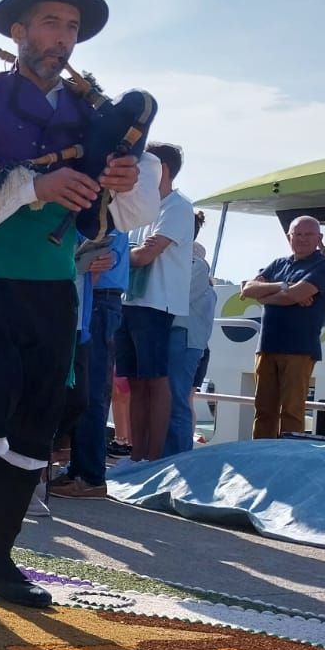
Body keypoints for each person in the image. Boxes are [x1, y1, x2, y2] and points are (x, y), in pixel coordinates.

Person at [0, 0, 159, 613]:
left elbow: (132, 212)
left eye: (72, 27)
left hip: (56, 287)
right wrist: (36, 186)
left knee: (35, 430)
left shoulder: (94, 115)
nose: (62, 37)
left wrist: (123, 179)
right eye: (51, 22)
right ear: (19, 30)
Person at [113, 142, 193, 462]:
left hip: (156, 304)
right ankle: (137, 457)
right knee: (135, 381)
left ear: (163, 170)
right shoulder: (143, 208)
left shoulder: (178, 207)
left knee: (155, 379)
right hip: (129, 302)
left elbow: (144, 255)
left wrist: (118, 255)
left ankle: (154, 458)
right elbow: (133, 251)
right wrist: (126, 254)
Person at [241, 216, 325, 439]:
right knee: (263, 410)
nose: (302, 239)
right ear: (289, 237)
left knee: (292, 412)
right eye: (298, 234)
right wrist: (284, 287)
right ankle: (262, 453)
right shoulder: (278, 264)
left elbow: (296, 295)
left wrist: (265, 296)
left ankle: (290, 457)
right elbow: (247, 289)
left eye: (308, 234)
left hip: (300, 349)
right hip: (267, 347)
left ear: (319, 238)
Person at [51, 230, 128, 498]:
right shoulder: (104, 219)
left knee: (91, 391)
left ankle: (90, 475)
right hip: (94, 298)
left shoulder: (105, 221)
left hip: (97, 299)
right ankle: (80, 470)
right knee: (84, 389)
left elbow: (100, 257)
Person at [171, 214, 217, 455]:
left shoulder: (195, 266)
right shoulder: (194, 268)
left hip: (185, 338)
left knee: (178, 398)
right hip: (185, 339)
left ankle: (179, 453)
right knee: (177, 397)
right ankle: (170, 451)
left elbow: (176, 299)